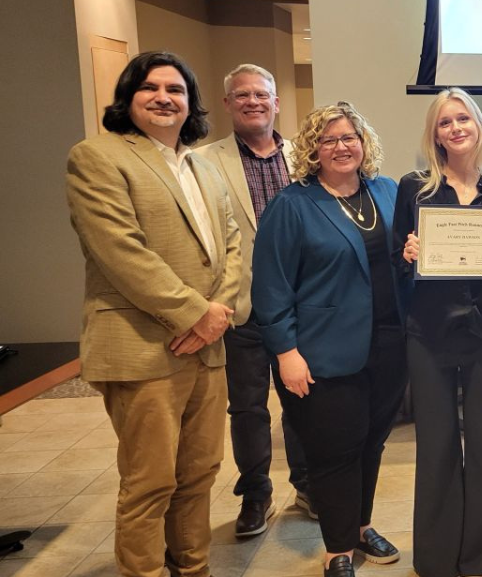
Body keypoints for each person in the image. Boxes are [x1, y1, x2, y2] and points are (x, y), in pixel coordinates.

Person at [65, 51, 241, 577]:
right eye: (150, 88)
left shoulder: (202, 165)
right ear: (128, 97)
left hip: (206, 347)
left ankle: (193, 567)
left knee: (199, 474)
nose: (164, 97)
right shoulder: (97, 157)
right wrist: (193, 313)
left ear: (191, 103)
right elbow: (120, 251)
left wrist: (218, 313)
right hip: (143, 347)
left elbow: (230, 247)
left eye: (176, 89)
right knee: (149, 482)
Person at [252, 102, 410, 577]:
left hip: (388, 345)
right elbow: (271, 286)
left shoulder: (388, 191)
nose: (342, 147)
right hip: (321, 352)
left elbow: (402, 263)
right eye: (329, 139)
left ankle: (361, 526)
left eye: (350, 138)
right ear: (312, 149)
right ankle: (337, 549)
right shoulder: (293, 203)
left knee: (372, 443)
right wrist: (285, 352)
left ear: (365, 144)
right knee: (334, 450)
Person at [394, 88, 482, 577]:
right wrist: (407, 255)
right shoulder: (415, 188)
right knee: (438, 440)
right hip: (427, 332)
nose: (455, 129)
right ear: (435, 134)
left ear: (478, 126)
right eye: (445, 122)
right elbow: (397, 263)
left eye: (463, 119)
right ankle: (440, 556)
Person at [194, 63, 312, 537]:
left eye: (261, 94)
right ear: (228, 104)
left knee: (302, 399)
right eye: (241, 95)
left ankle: (306, 485)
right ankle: (256, 493)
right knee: (246, 407)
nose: (253, 101)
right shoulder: (203, 160)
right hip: (239, 307)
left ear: (276, 102)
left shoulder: (305, 157)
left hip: (299, 304)